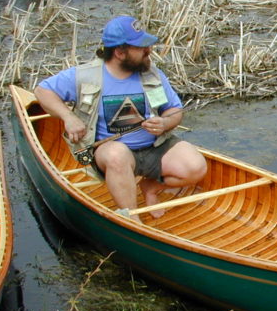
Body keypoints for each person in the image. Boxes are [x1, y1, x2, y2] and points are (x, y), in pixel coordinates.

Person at [34, 15, 207, 221]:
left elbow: (174, 111)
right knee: (117, 155)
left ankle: (150, 187)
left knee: (196, 166)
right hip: (110, 152)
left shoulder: (153, 75)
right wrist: (68, 117)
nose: (148, 50)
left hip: (155, 147)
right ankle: (131, 217)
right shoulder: (85, 76)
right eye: (141, 47)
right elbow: (42, 91)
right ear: (120, 53)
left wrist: (165, 123)